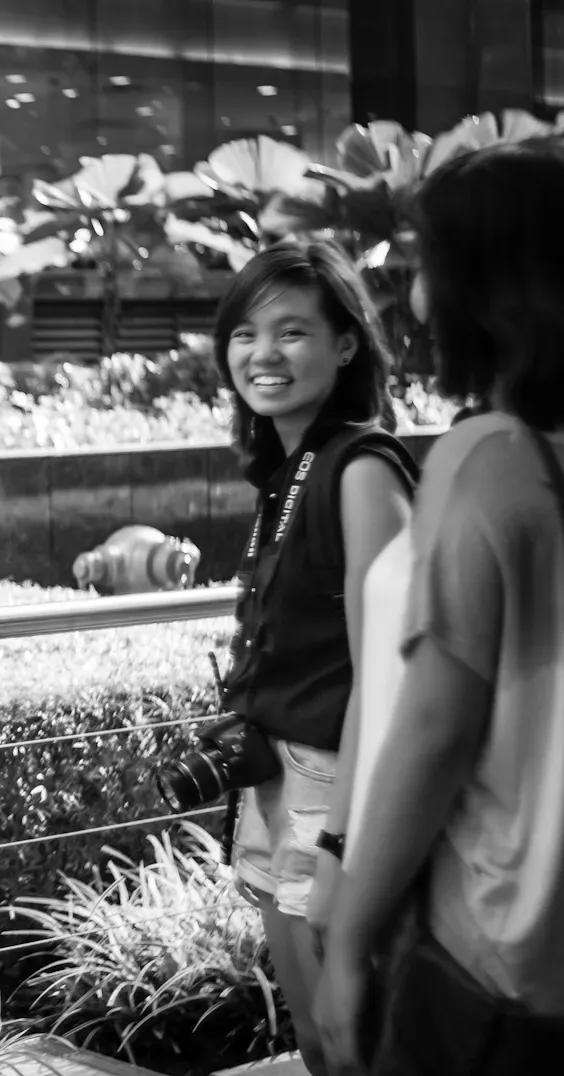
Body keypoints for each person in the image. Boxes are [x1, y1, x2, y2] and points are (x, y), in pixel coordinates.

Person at [315, 140, 564, 1075]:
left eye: (429, 264)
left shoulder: (489, 459)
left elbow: (432, 733)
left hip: (496, 957)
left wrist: (346, 943)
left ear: (489, 285)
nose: (414, 294)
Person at [210, 243, 416, 1075]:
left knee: (360, 1041)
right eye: (245, 333)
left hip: (334, 787)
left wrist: (341, 841)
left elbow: (395, 670)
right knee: (321, 1046)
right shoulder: (288, 470)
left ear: (345, 345)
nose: (263, 354)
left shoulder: (363, 468)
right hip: (276, 777)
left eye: (292, 331)